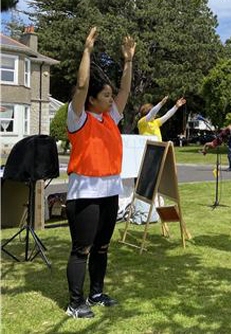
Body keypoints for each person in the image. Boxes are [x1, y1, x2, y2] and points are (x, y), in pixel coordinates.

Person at [65, 27, 136, 318]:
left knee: (102, 247)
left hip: (109, 191)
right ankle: (75, 303)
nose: (111, 99)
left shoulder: (110, 118)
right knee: (82, 248)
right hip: (85, 193)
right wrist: (87, 51)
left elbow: (125, 90)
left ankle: (96, 293)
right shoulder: (78, 118)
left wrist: (128, 62)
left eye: (110, 95)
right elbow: (81, 86)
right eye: (105, 95)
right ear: (93, 99)